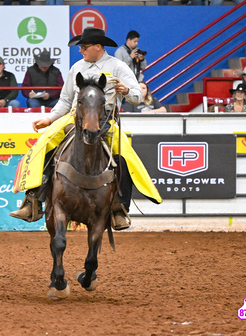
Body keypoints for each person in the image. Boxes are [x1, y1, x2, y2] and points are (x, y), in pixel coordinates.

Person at [10, 27, 162, 230]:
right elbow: (65, 100)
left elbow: (137, 95)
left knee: (125, 157)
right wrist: (50, 119)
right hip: (74, 118)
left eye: (84, 47)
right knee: (43, 146)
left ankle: (119, 208)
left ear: (98, 47)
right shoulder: (76, 67)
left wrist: (125, 90)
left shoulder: (117, 67)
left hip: (106, 120)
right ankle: (33, 200)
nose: (81, 50)